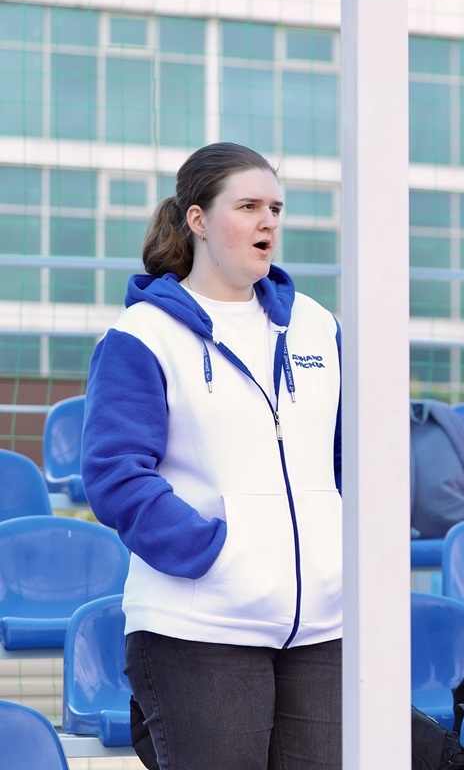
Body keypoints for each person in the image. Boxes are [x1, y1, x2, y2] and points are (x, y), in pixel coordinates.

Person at [81, 142, 343, 770]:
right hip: (198, 625)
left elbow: (346, 458)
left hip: (322, 626)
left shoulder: (317, 326)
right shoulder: (141, 335)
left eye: (275, 208)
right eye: (248, 206)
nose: (268, 222)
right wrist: (216, 554)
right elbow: (115, 475)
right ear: (197, 219)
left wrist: (341, 551)